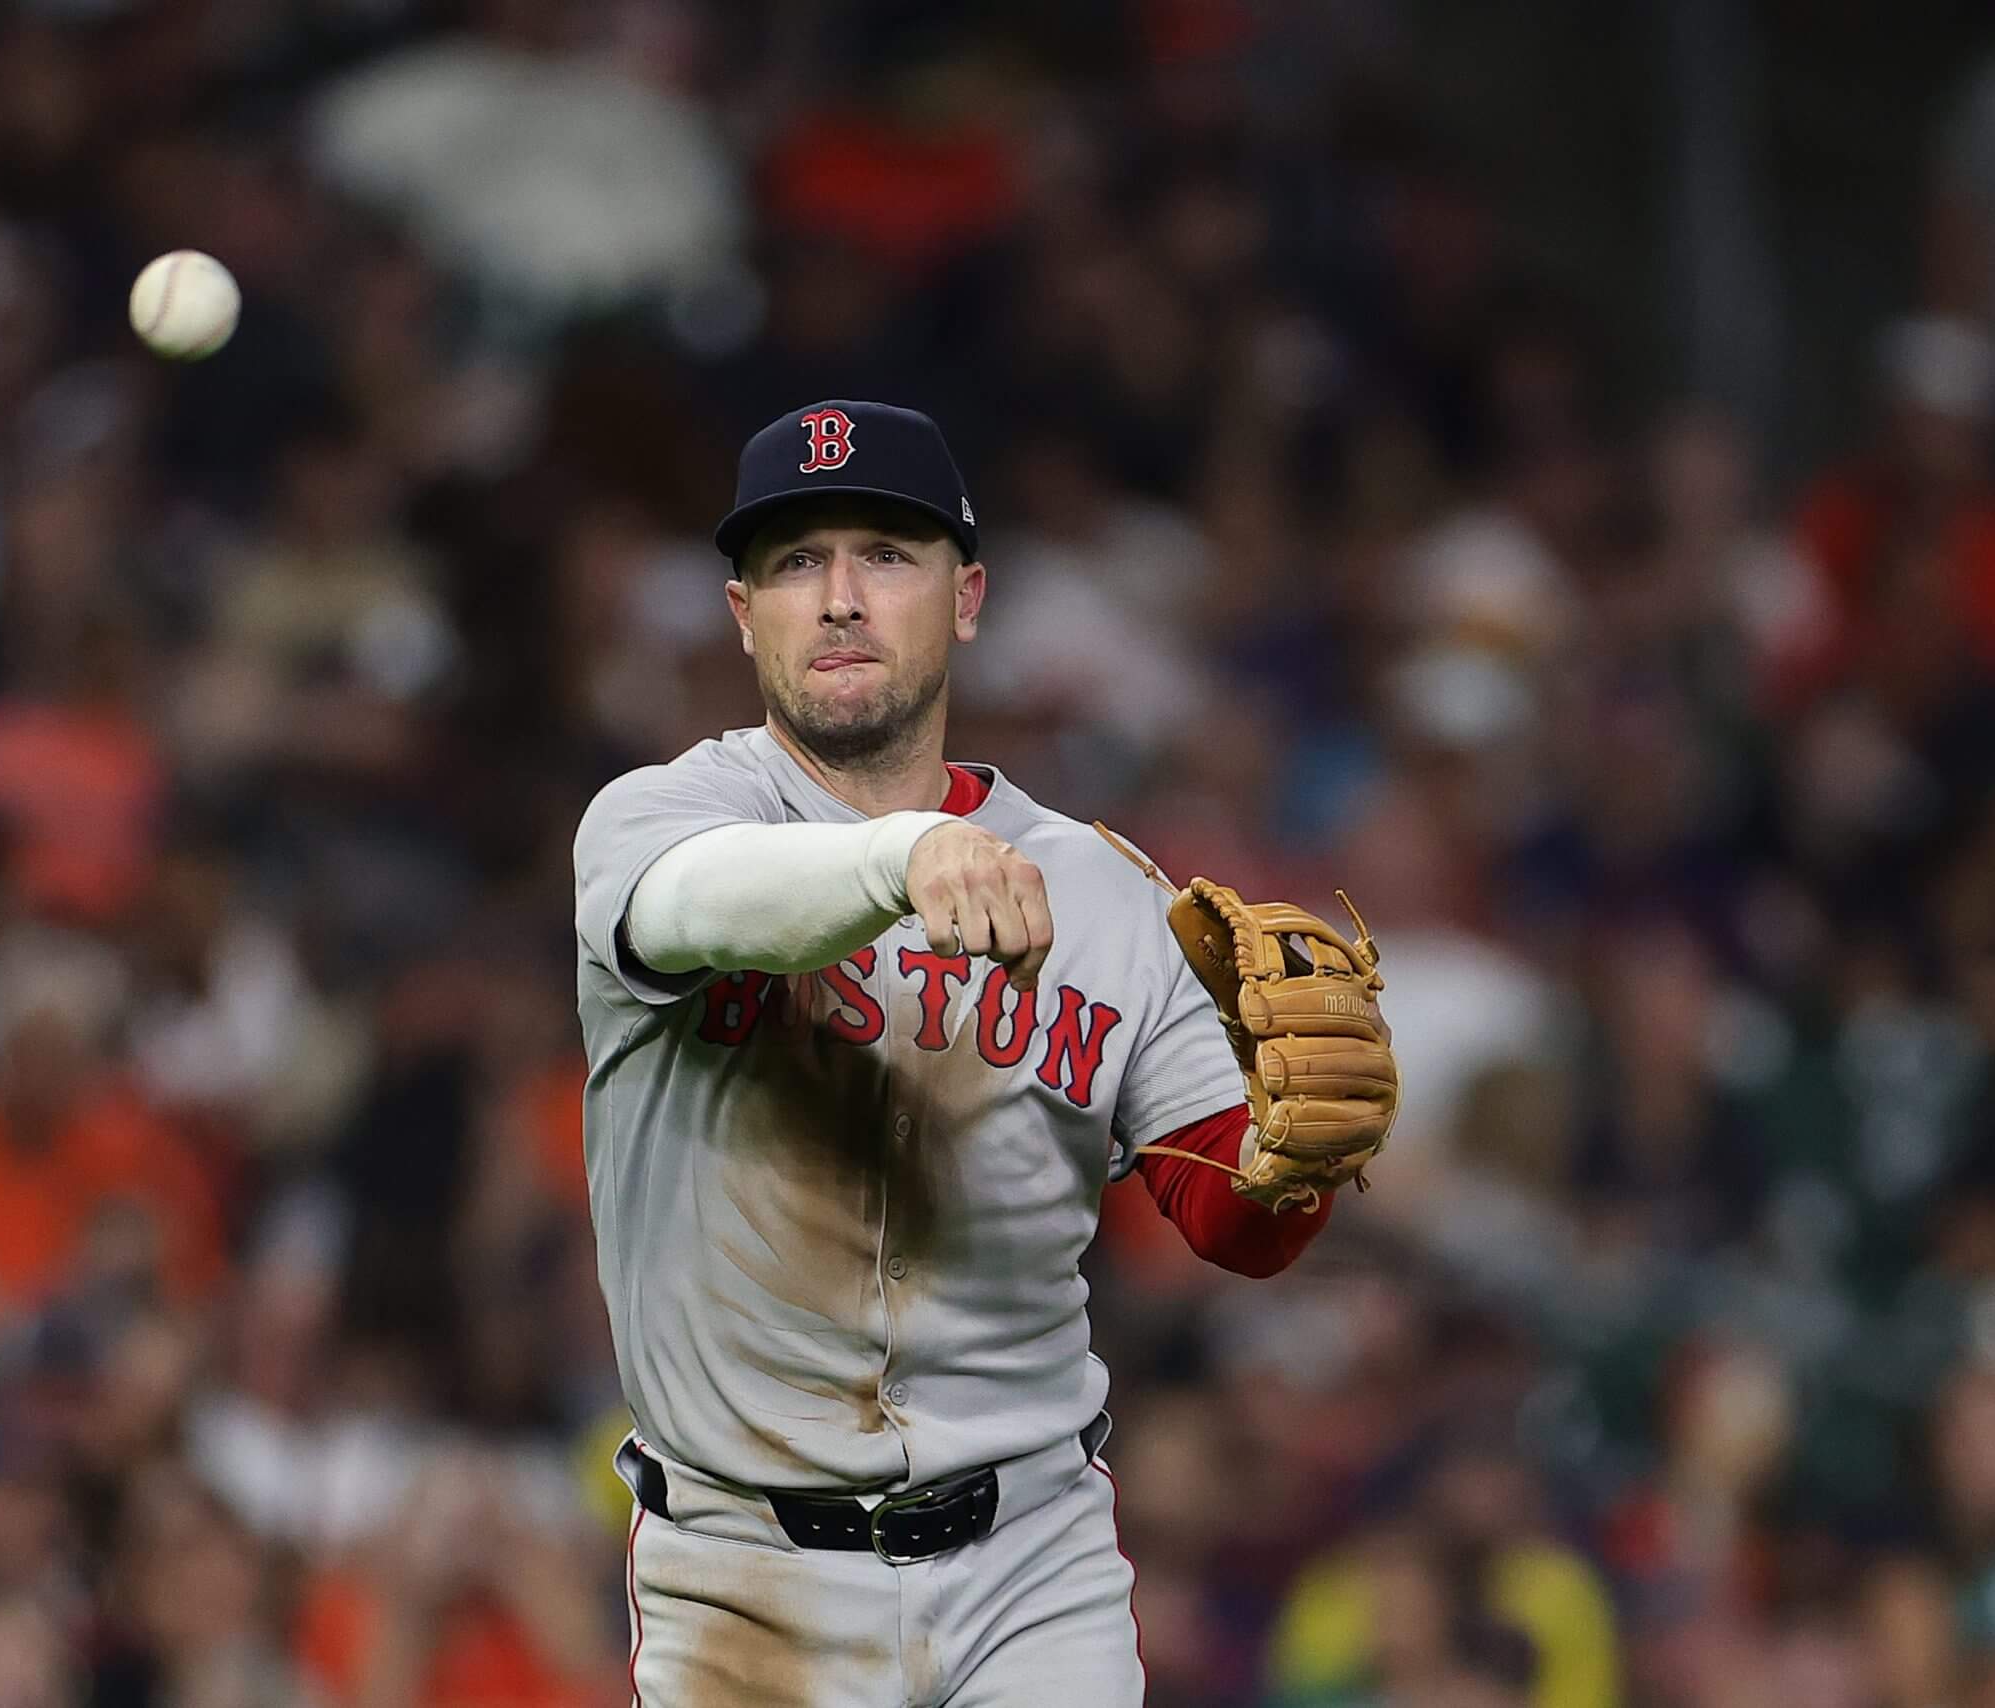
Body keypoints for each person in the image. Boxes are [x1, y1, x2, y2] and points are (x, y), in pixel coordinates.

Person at [571, 400, 1392, 1704]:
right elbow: (697, 907)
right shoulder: (663, 819)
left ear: (968, 598)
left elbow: (1231, 1221)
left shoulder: (1111, 894)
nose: (840, 598)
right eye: (796, 562)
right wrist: (906, 855)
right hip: (747, 1575)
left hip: (1033, 1563)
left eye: (887, 554)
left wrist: (1292, 1164)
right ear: (742, 614)